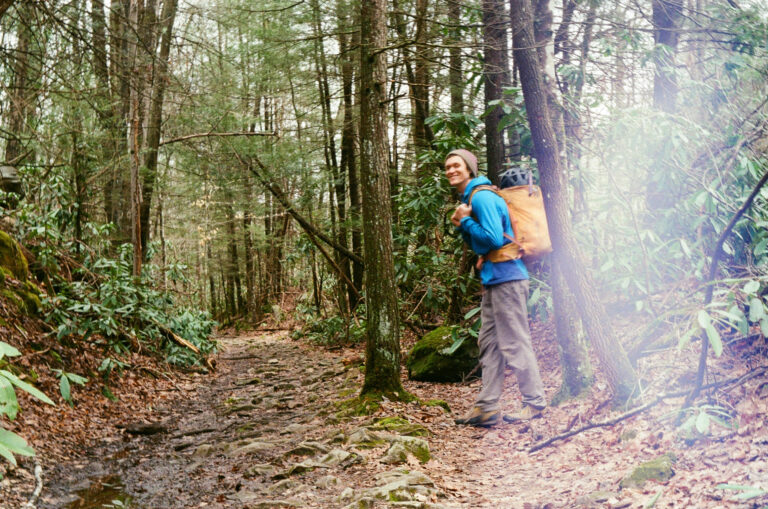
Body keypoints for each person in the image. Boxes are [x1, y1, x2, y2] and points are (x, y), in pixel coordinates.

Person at [445, 149, 547, 427]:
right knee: (489, 343)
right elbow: (487, 243)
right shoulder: (473, 198)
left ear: (469, 169)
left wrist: (465, 220)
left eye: (456, 165)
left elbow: (491, 239)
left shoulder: (483, 198)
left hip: (508, 279)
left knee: (515, 341)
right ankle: (487, 407)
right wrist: (463, 222)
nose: (451, 170)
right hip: (494, 279)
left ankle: (535, 403)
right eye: (448, 167)